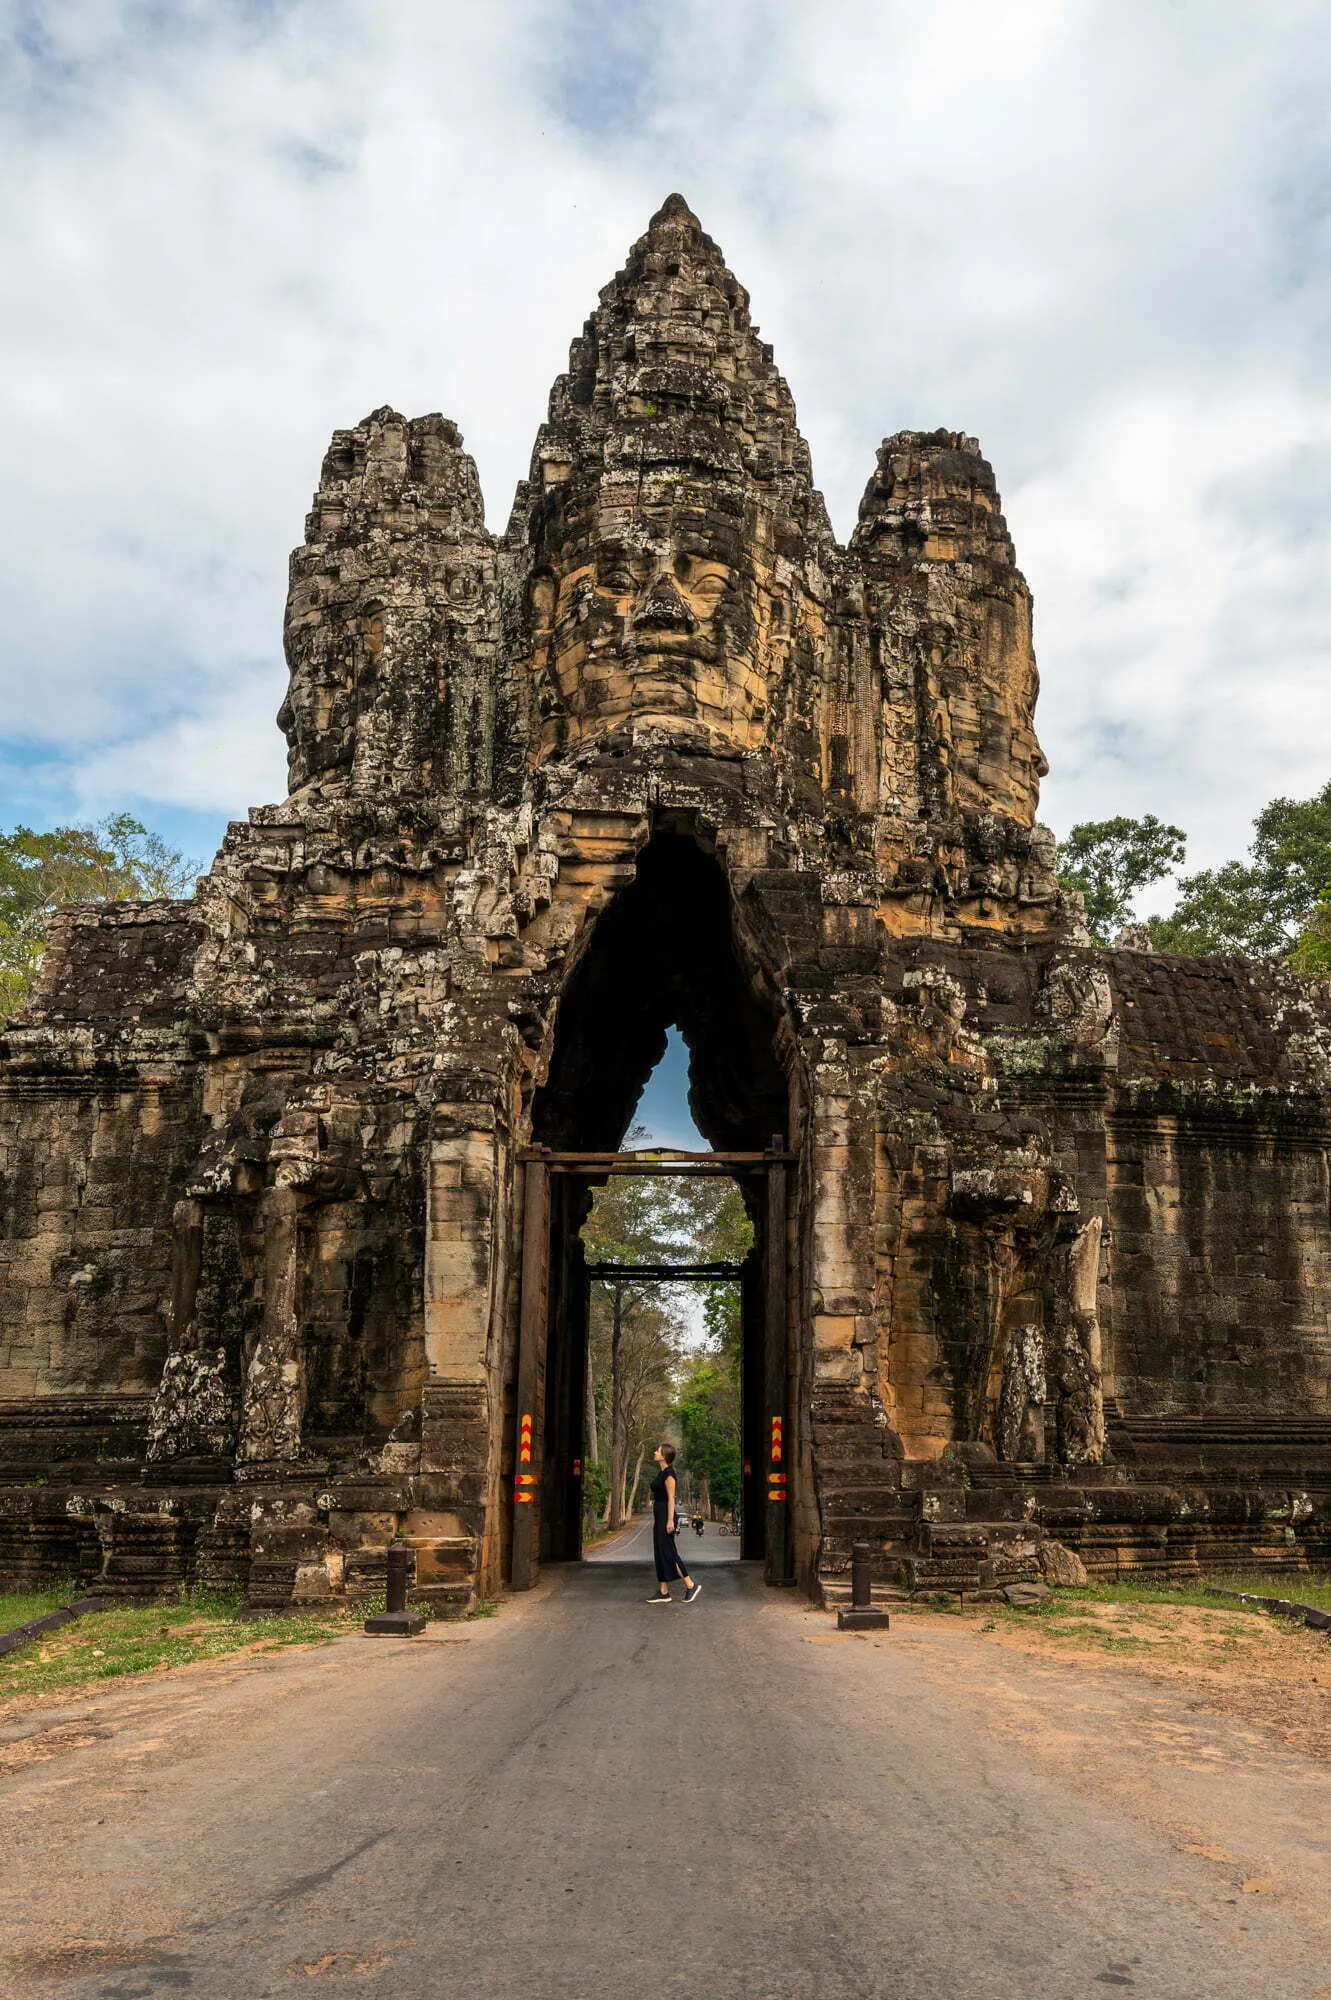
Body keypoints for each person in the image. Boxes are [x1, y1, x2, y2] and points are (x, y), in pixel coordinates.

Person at [647, 1442, 701, 1604]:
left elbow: (671, 1498)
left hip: (666, 1516)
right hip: (660, 1516)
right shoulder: (662, 1472)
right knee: (660, 1552)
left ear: (663, 1456)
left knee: (669, 1553)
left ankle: (690, 1584)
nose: (655, 1452)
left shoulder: (669, 1474)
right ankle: (664, 1591)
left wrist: (670, 1520)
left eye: (657, 1450)